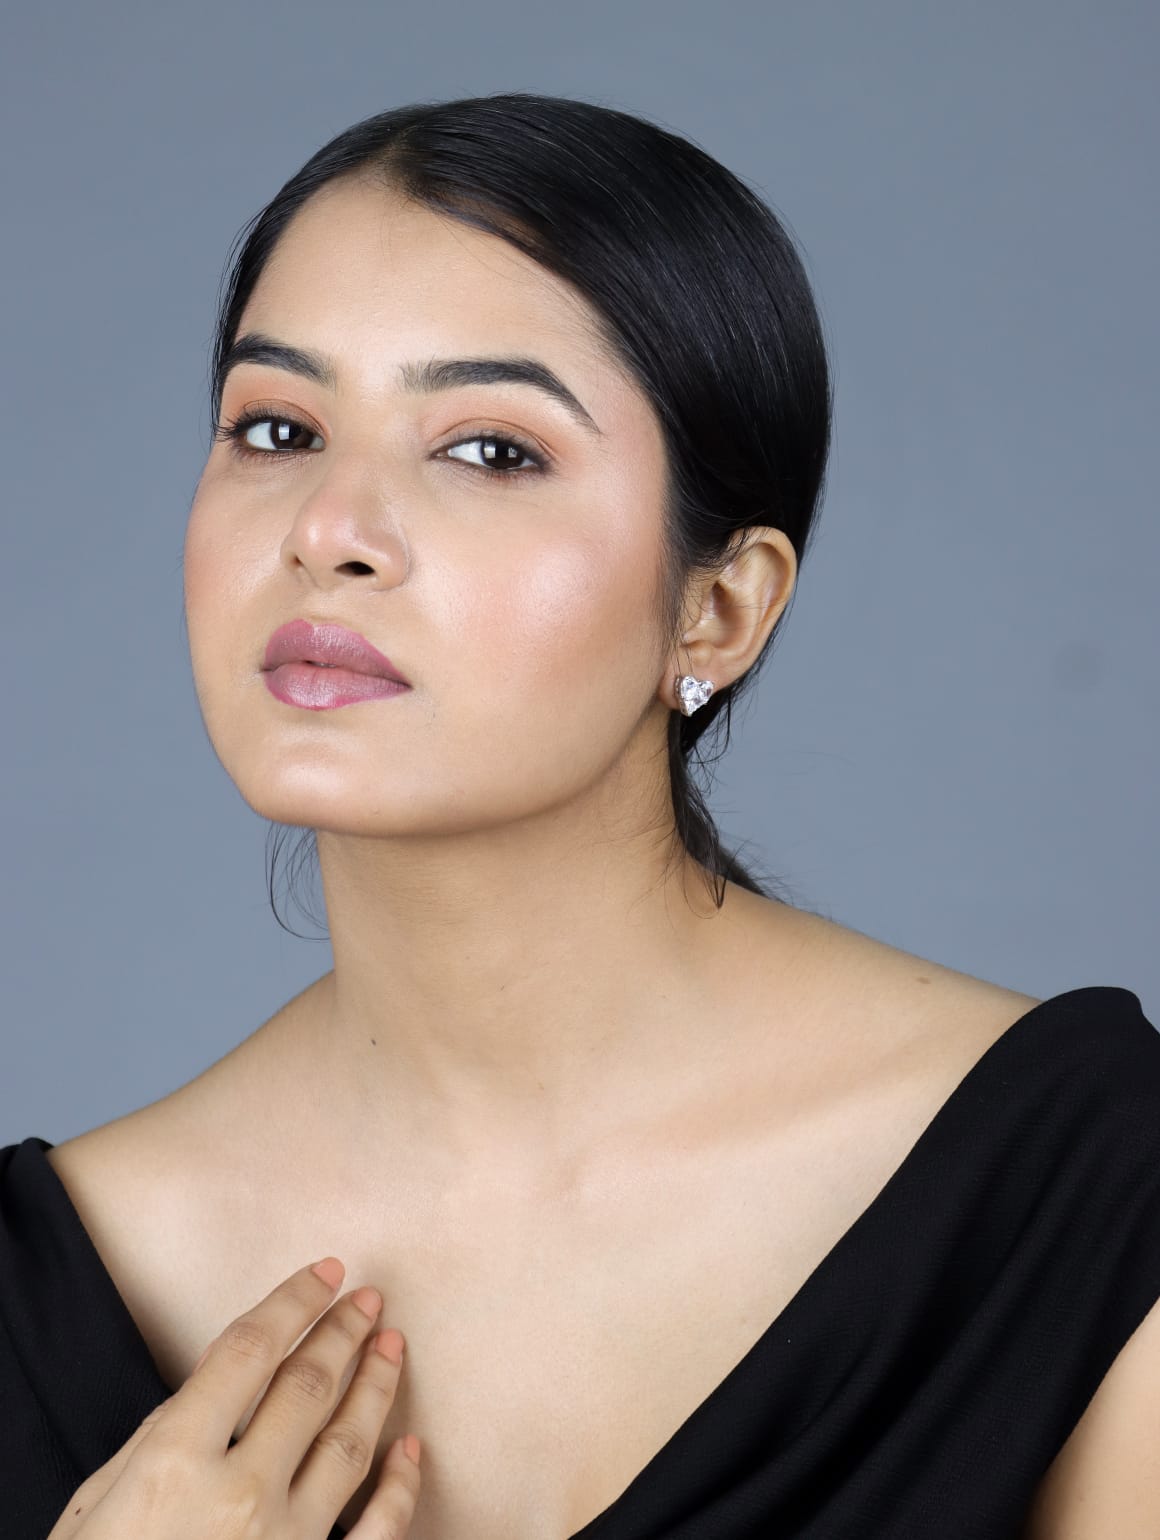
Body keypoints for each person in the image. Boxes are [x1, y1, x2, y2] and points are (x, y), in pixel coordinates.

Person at [2, 91, 1159, 1540]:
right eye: (278, 427)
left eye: (490, 450)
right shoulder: (46, 1285)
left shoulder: (1083, 1195)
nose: (327, 529)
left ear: (719, 607)